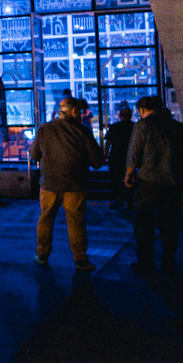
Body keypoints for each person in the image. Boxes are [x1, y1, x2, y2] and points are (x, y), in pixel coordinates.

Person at [31, 94, 105, 271]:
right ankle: (80, 260)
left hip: (49, 184)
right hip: (75, 185)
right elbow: (97, 162)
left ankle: (42, 254)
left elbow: (34, 154)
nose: (81, 114)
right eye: (79, 111)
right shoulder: (82, 131)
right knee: (75, 220)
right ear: (73, 111)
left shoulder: (44, 129)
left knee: (46, 218)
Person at [124, 95, 183, 275]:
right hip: (172, 181)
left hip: (148, 181)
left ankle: (145, 261)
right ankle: (168, 261)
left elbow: (134, 152)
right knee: (169, 222)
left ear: (142, 110)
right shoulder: (177, 126)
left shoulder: (142, 125)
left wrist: (129, 173)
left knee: (143, 222)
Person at [103, 103, 136, 208]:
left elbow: (108, 142)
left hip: (116, 157)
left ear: (120, 116)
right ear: (131, 115)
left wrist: (105, 155)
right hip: (130, 157)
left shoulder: (114, 127)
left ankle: (118, 199)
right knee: (130, 179)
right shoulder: (134, 127)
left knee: (115, 180)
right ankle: (130, 201)